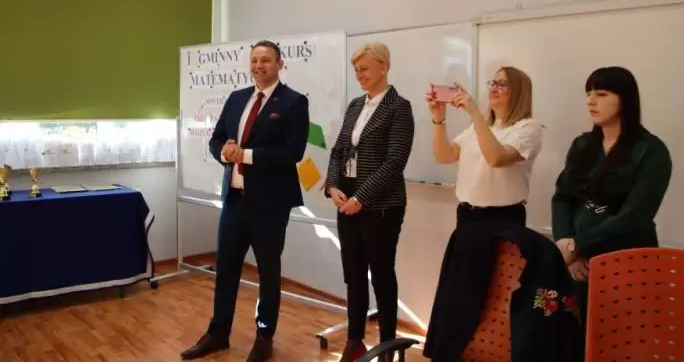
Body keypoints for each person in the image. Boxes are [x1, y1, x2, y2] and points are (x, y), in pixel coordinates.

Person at [181, 40, 310, 362]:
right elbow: (216, 139)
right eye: (254, 60)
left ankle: (264, 337)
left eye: (265, 60)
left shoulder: (294, 102)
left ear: (280, 64)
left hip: (270, 205)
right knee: (226, 269)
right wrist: (224, 153)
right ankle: (218, 333)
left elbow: (293, 152)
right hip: (234, 201)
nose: (258, 66)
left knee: (268, 273)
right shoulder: (237, 98)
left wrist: (246, 155)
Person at [551, 66, 672, 355]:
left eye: (602, 94)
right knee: (571, 338)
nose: (591, 101)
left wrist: (578, 245)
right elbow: (563, 197)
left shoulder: (651, 151)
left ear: (625, 99)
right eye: (588, 94)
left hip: (626, 261)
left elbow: (635, 216)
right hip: (577, 264)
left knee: (618, 344)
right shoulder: (583, 144)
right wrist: (566, 243)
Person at [324, 42, 415, 362]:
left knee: (381, 273)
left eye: (364, 68)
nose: (359, 74)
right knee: (353, 274)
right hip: (347, 199)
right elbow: (338, 151)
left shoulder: (399, 107)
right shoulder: (355, 105)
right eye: (356, 69)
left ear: (383, 67)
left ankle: (388, 344)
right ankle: (354, 341)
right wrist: (332, 186)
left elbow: (395, 162)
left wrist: (361, 197)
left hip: (381, 205)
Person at [426, 66, 543, 227]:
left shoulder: (529, 128)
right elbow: (444, 156)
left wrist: (475, 113)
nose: (494, 89)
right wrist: (439, 118)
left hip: (503, 218)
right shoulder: (481, 126)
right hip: (467, 215)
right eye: (492, 83)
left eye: (501, 84)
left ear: (519, 91)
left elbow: (495, 158)